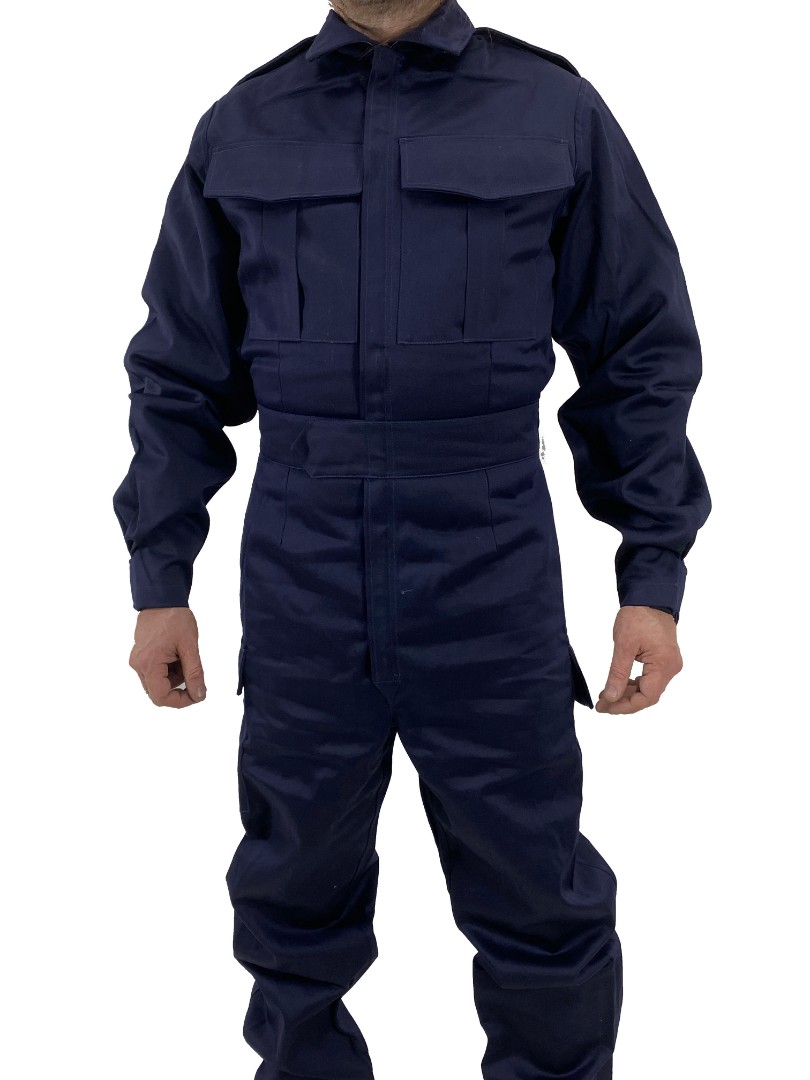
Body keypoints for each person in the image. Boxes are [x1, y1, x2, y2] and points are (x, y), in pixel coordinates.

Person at [113, 1, 712, 1075]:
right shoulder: (244, 123)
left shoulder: (554, 109)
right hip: (301, 577)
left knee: (539, 899)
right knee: (291, 903)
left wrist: (652, 577)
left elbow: (639, 352)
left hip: (489, 572)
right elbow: (176, 375)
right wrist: (161, 580)